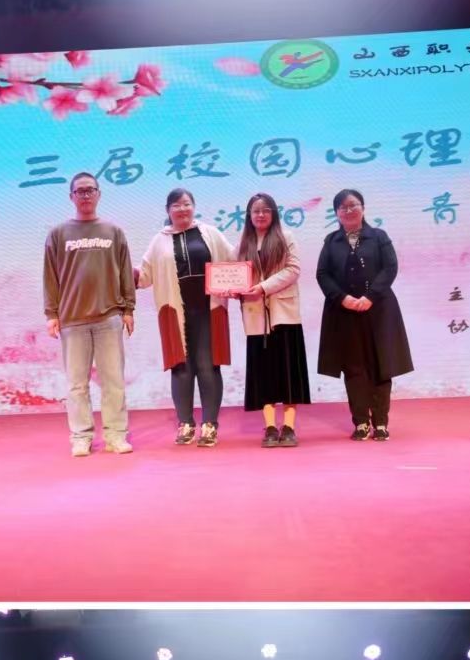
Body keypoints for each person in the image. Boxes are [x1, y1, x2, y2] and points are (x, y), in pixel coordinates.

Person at [43, 172, 135, 457]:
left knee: (113, 382)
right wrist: (51, 313)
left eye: (90, 190)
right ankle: (81, 436)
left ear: (98, 194)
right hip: (72, 320)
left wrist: (128, 309)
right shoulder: (58, 234)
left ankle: (115, 436)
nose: (85, 195)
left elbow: (125, 272)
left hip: (109, 317)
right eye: (80, 191)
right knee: (77, 385)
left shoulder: (113, 232)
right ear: (71, 196)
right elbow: (50, 277)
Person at [135, 188, 235, 447]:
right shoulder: (159, 240)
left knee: (208, 366)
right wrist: (121, 268)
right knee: (181, 367)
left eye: (186, 204)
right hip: (174, 312)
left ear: (194, 206)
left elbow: (234, 261)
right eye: (176, 205)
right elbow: (144, 276)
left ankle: (210, 425)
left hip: (208, 310)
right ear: (168, 210)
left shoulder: (210, 233)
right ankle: (185, 423)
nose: (182, 209)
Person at [316, 189, 414, 441]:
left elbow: (390, 267)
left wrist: (370, 297)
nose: (349, 211)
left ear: (363, 208)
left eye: (353, 205)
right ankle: (360, 422)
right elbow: (322, 275)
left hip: (379, 310)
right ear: (336, 213)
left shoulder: (379, 236)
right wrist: (343, 298)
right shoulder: (331, 241)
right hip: (345, 313)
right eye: (343, 207)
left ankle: (380, 422)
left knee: (382, 365)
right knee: (354, 367)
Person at [234, 193, 312, 448]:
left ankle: (288, 427)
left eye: (265, 210)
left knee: (289, 373)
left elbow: (293, 269)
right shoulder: (242, 244)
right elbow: (234, 276)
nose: (260, 215)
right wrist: (234, 290)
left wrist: (263, 287)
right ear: (249, 215)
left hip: (284, 314)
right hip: (256, 317)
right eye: (255, 211)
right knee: (263, 373)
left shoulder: (286, 237)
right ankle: (269, 426)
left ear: (274, 213)